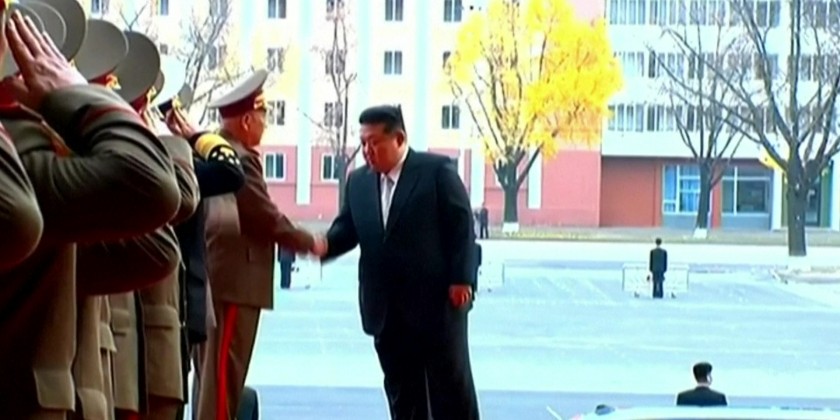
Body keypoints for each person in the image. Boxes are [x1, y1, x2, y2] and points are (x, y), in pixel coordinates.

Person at [0, 9, 181, 418]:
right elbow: (155, 186)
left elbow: (154, 249)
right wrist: (76, 101)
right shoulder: (22, 150)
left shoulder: (28, 145)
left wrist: (71, 118)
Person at [318, 105, 479, 419]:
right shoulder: (358, 182)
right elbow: (346, 229)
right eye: (363, 143)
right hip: (386, 312)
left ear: (399, 138)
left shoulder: (436, 172)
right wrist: (319, 245)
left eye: (374, 142)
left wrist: (462, 278)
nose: (367, 151)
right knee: (403, 395)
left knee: (450, 394)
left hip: (436, 307)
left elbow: (462, 227)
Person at [196, 69, 325, 420]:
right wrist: (308, 241)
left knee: (213, 378)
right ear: (247, 120)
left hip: (220, 278)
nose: (265, 127)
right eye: (263, 117)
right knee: (223, 378)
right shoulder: (239, 156)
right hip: (234, 283)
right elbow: (262, 215)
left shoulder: (213, 150)